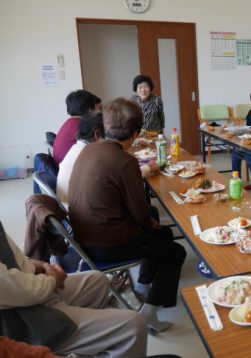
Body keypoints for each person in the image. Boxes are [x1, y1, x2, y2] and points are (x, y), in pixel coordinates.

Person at [68, 98, 187, 333]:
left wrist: (151, 224)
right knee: (175, 250)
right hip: (108, 244)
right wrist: (150, 225)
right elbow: (140, 213)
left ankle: (143, 287)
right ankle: (149, 313)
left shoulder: (89, 149)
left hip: (82, 237)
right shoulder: (125, 161)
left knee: (161, 233)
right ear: (135, 134)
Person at [0, 222, 147, 357]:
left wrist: (33, 265)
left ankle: (87, 345)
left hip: (23, 292)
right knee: (134, 326)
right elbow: (17, 289)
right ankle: (71, 335)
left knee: (98, 280)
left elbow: (9, 255)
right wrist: (52, 280)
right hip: (19, 316)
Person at [57, 112, 159, 208]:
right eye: (110, 133)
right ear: (97, 134)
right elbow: (123, 179)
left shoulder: (79, 148)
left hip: (77, 211)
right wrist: (147, 168)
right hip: (85, 215)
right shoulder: (92, 153)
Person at [53, 90, 101, 166]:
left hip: (62, 167)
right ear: (89, 107)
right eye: (97, 108)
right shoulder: (81, 125)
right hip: (71, 170)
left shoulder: (70, 122)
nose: (98, 112)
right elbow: (98, 149)